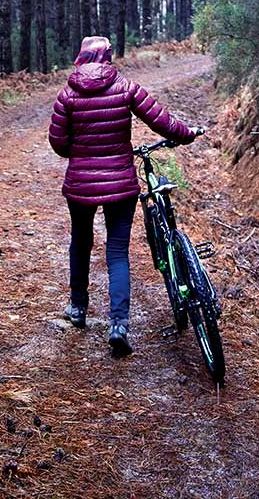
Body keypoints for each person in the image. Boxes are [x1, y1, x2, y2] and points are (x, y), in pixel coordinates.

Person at [48, 35, 200, 357]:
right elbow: (161, 120)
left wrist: (81, 152)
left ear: (82, 57)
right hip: (121, 184)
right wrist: (187, 135)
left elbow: (58, 144)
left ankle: (77, 309)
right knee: (117, 252)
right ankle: (118, 325)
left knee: (81, 242)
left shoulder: (66, 96)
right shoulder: (126, 87)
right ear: (107, 58)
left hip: (80, 185)